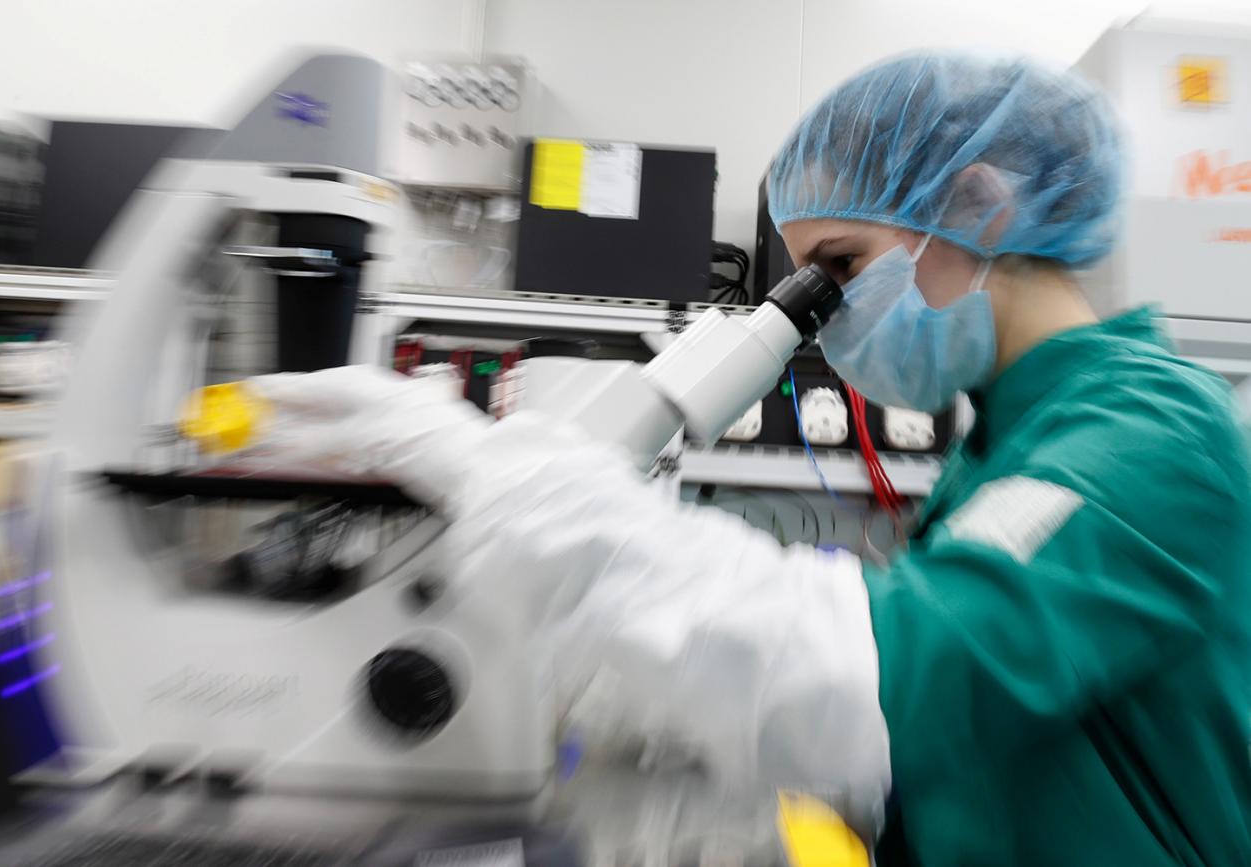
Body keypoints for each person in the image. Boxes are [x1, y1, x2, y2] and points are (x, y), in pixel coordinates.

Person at [242, 54, 1251, 865]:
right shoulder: (1013, 441)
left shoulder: (1150, 433)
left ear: (979, 206)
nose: (830, 315)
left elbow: (883, 685)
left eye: (840, 268)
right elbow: (986, 727)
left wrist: (499, 480)